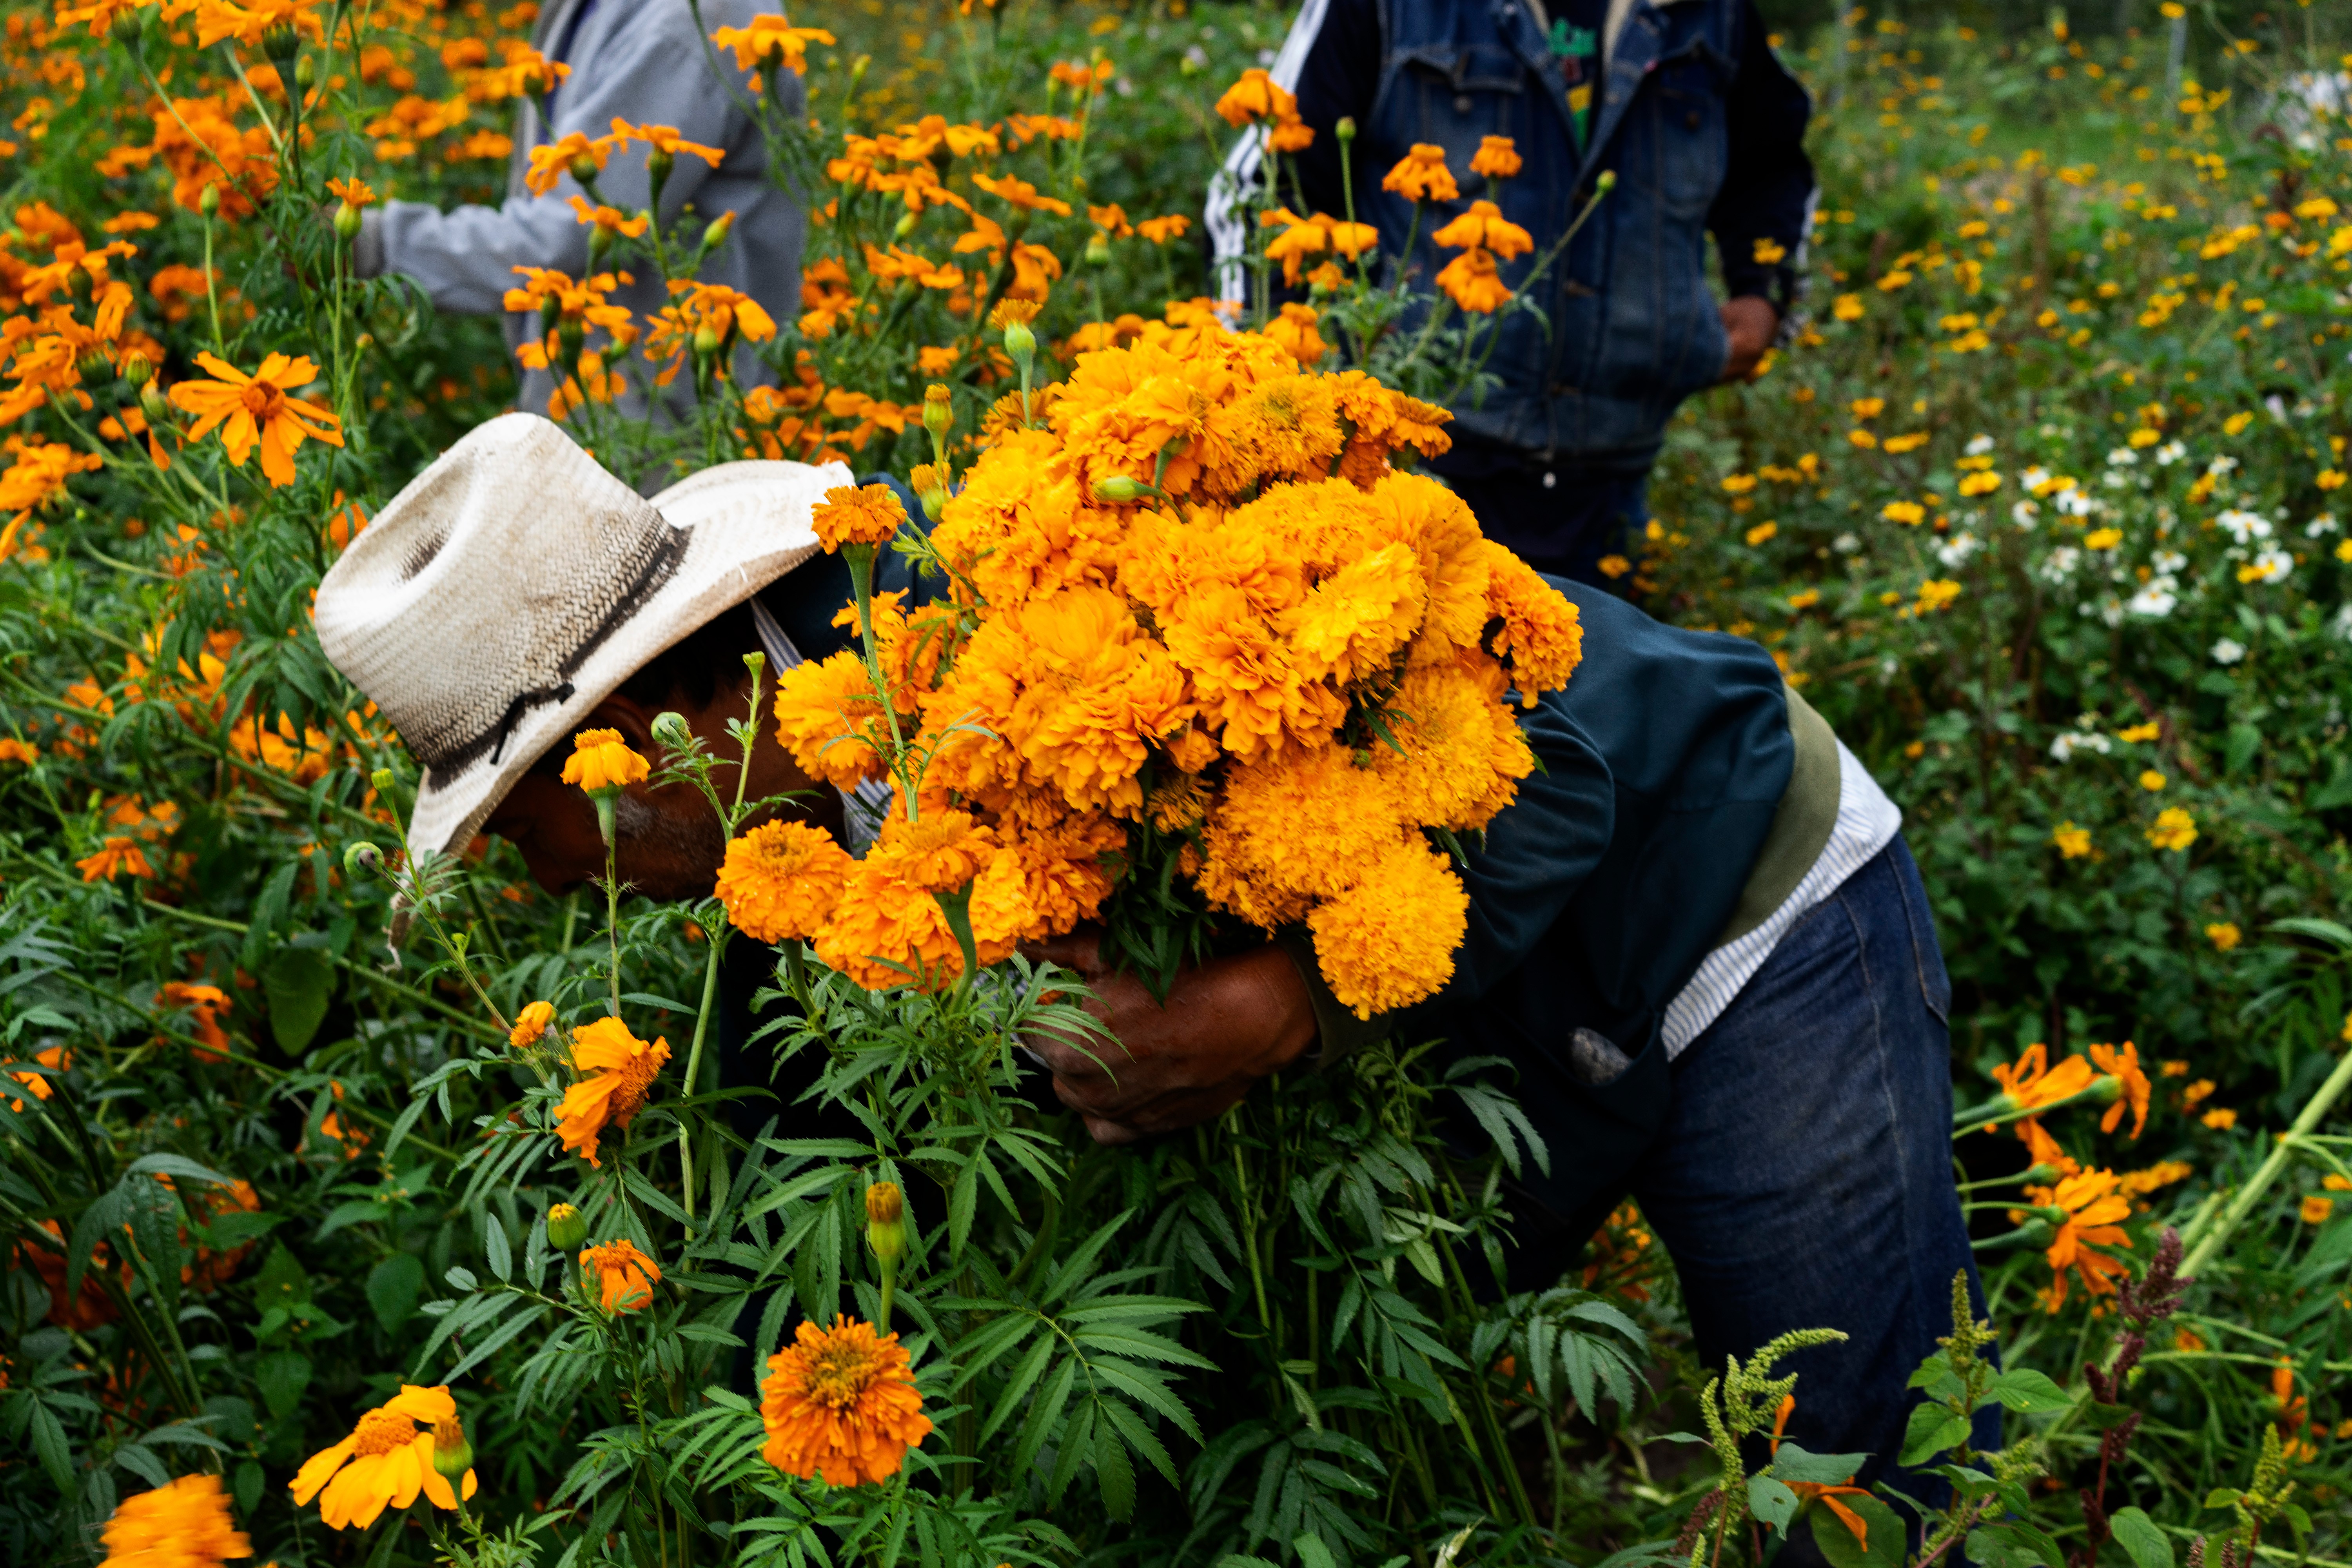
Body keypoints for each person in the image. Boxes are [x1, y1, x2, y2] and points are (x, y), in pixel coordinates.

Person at [315, 413, 1993, 1540]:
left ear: (653, 733)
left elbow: (1553, 757)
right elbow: (786, 1178)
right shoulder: (805, 855)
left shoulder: (1032, 627)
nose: (538, 882)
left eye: (522, 825)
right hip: (1518, 1016)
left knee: (1853, 1477)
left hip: (1733, 900)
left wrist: (1288, 1000)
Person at [1205, 0, 1815, 585]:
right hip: (1412, 473)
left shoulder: (1714, 10)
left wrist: (1766, 293)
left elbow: (1774, 166)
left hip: (1616, 467)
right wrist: (1274, 416)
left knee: (1605, 680)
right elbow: (1262, 190)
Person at [350, 0, 804, 421]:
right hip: (595, 392)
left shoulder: (687, 23)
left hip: (662, 419)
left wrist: (374, 245)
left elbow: (570, 230)